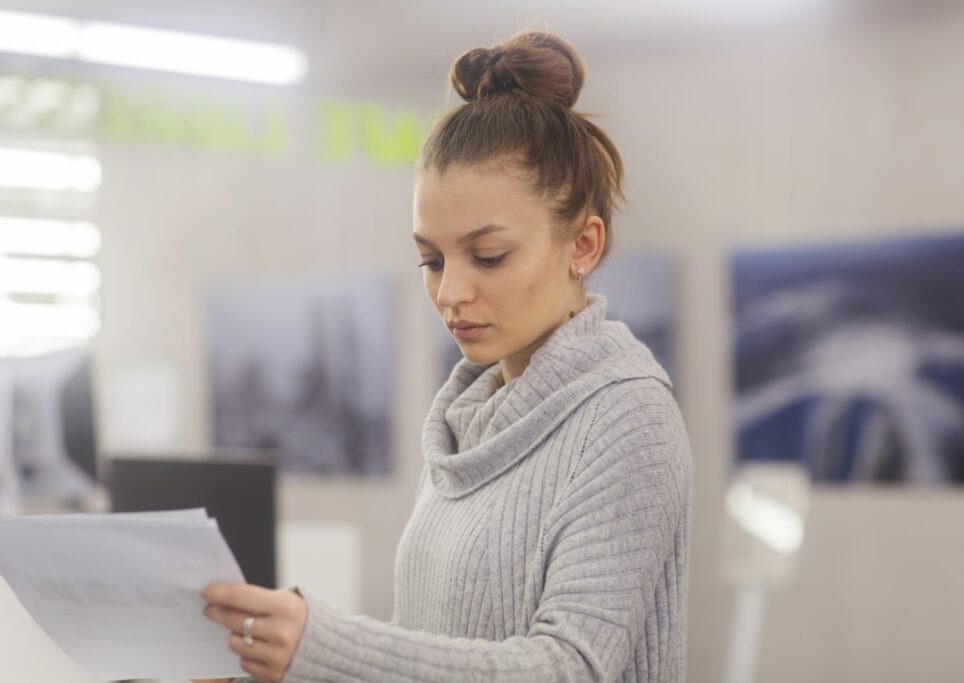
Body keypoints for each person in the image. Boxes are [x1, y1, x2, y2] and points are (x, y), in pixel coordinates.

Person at [198, 29, 693, 683]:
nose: (450, 292)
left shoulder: (628, 416)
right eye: (431, 260)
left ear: (583, 245)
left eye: (488, 255)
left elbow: (569, 668)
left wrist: (321, 649)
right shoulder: (462, 427)